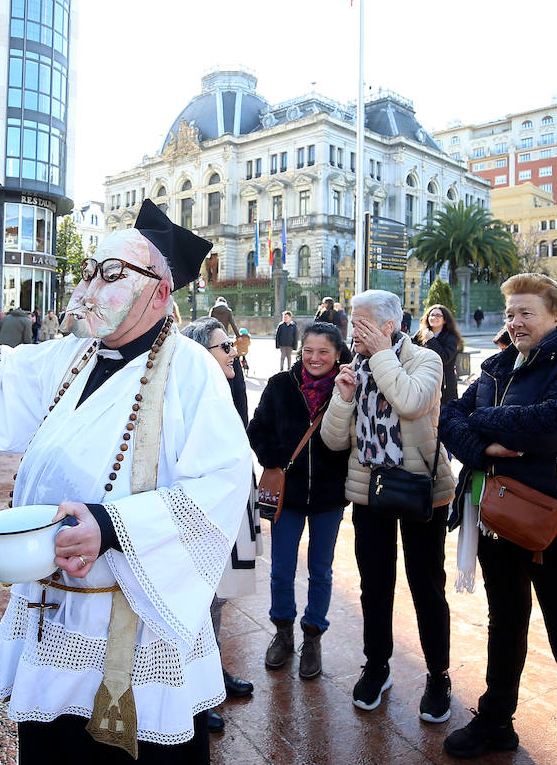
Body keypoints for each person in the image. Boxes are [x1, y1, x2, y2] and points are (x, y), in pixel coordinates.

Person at [0, 199, 251, 762]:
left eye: (109, 275)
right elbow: (0, 374)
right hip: (53, 608)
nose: (85, 291)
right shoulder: (73, 357)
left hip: (130, 620)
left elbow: (223, 486)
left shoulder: (191, 370)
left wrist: (109, 527)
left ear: (159, 291)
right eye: (88, 273)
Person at [439, 273, 557, 762]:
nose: (514, 322)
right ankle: (495, 722)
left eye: (526, 312)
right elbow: (449, 416)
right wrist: (487, 441)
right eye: (510, 313)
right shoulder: (496, 366)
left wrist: (477, 423)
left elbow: (553, 425)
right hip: (495, 517)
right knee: (505, 623)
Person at [320, 290, 456, 721]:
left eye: (359, 323)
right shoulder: (355, 365)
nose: (349, 331)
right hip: (369, 491)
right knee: (374, 585)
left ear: (386, 327)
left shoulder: (426, 360)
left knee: (426, 586)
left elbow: (412, 403)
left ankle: (438, 675)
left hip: (420, 491)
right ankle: (377, 664)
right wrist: (343, 398)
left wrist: (380, 357)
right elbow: (334, 440)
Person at [246, 321, 350, 681]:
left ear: (338, 354)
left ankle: (313, 635)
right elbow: (256, 430)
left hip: (329, 496)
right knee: (281, 568)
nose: (314, 358)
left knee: (321, 569)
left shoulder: (348, 389)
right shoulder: (280, 385)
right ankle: (283, 631)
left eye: (323, 352)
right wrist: (276, 459)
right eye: (308, 351)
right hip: (287, 496)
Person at [181, 316, 259, 734]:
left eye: (231, 344)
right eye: (223, 345)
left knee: (220, 597)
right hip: (203, 513)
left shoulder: (231, 383)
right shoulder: (188, 395)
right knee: (197, 601)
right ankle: (197, 688)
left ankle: (212, 671)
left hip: (234, 502)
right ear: (199, 354)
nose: (233, 351)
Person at [417, 304, 463, 405]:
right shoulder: (421, 334)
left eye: (438, 316)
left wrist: (432, 340)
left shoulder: (451, 337)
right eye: (431, 315)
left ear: (445, 320)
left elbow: (444, 359)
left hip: (445, 384)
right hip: (424, 382)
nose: (434, 318)